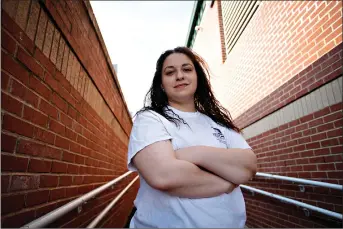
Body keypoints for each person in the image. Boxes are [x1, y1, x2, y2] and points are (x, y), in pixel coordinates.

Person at [127, 47, 257, 228]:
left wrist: (192, 154)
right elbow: (163, 175)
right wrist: (227, 181)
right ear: (161, 84)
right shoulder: (150, 119)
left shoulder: (218, 123)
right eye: (170, 72)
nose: (179, 76)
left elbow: (248, 167)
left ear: (198, 77)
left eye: (187, 69)